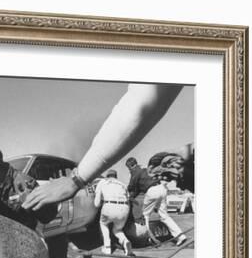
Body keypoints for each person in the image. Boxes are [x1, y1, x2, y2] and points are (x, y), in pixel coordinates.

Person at [22, 84, 183, 211]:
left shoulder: (130, 176)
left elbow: (143, 102)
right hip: (156, 193)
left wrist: (76, 180)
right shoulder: (128, 178)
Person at [0, 145, 58, 230]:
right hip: (3, 235)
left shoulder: (23, 182)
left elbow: (47, 218)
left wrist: (33, 205)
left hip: (25, 236)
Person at [94, 169, 134, 255]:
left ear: (107, 176)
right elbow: (128, 198)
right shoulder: (122, 184)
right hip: (124, 208)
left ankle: (107, 247)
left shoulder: (102, 182)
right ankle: (125, 241)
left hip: (109, 206)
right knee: (117, 230)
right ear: (116, 177)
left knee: (103, 224)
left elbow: (96, 204)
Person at [142, 172, 188, 246]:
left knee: (145, 215)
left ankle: (149, 238)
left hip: (153, 190)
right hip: (163, 189)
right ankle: (180, 236)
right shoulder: (159, 171)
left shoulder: (143, 173)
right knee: (164, 216)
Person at [125, 157, 157, 221]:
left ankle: (136, 219)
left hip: (147, 192)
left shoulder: (135, 171)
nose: (129, 170)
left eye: (129, 168)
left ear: (132, 166)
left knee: (134, 204)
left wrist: (127, 193)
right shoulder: (143, 170)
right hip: (157, 190)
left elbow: (132, 186)